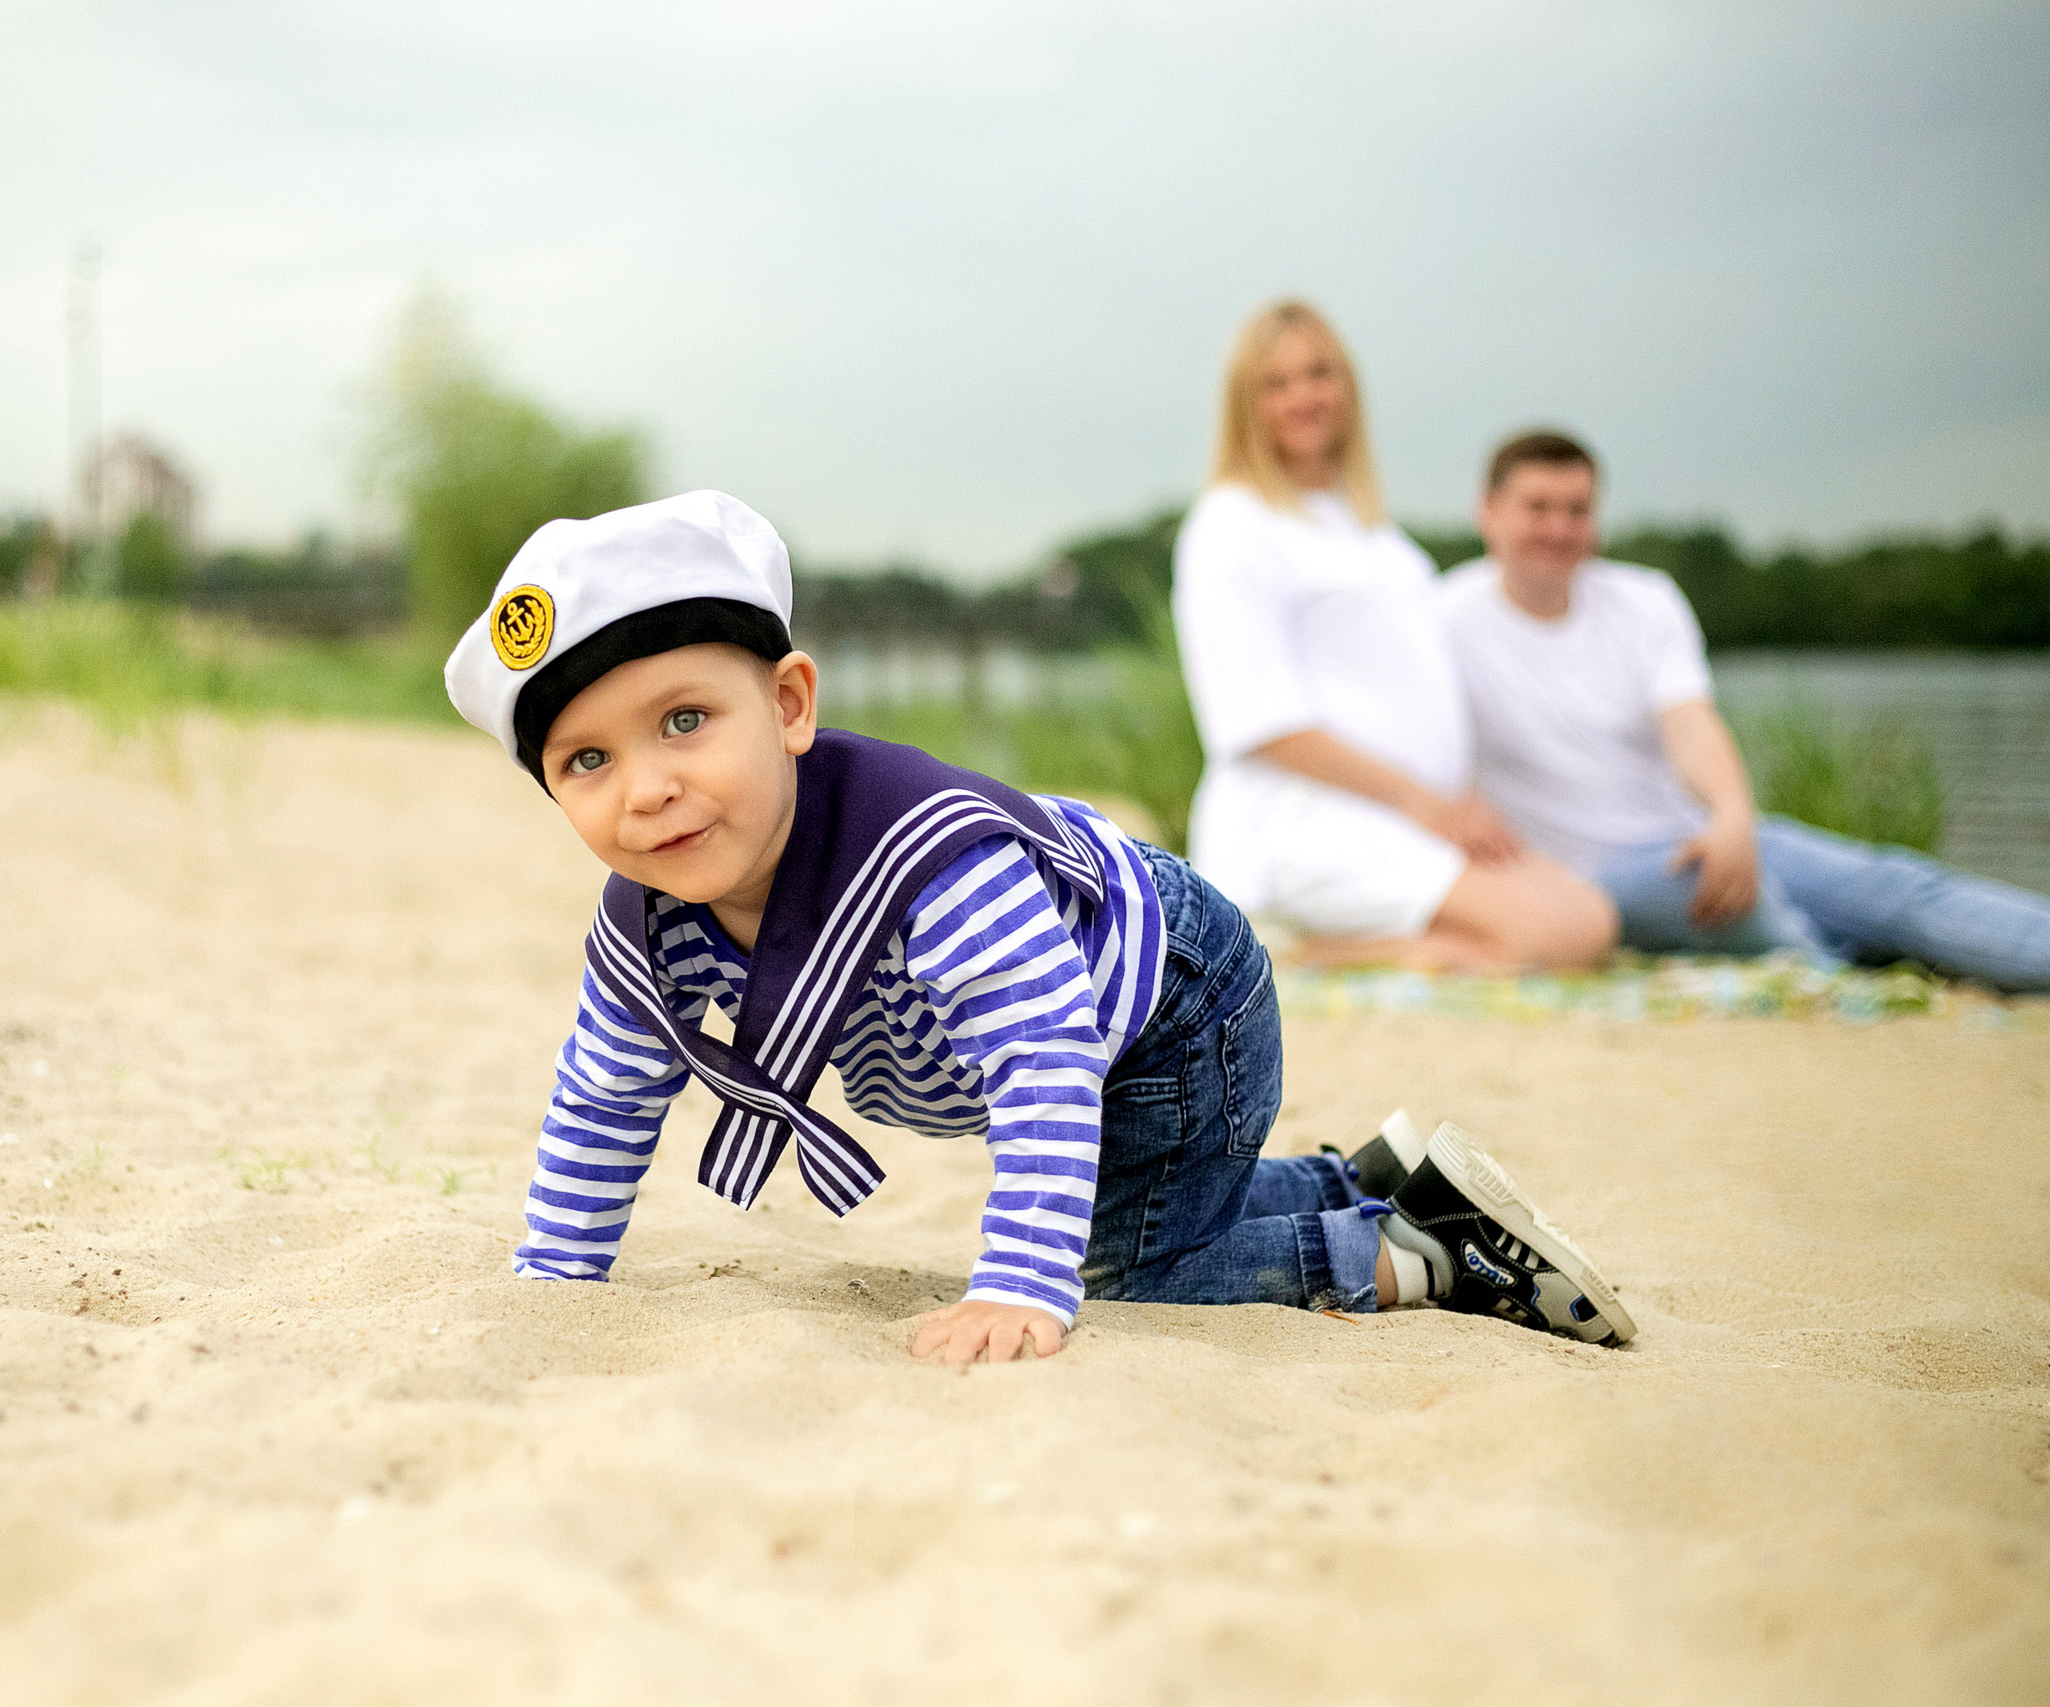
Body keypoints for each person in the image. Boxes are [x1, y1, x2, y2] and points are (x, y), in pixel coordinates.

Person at [443, 489, 1636, 1367]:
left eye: (684, 720)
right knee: (1151, 1200)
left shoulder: (927, 861)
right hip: (1107, 1011)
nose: (643, 787)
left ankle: (1418, 1254)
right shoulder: (652, 922)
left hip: (1165, 1001)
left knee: (1127, 1264)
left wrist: (1020, 1283)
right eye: (586, 759)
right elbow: (605, 1095)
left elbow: (1042, 1056)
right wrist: (557, 1274)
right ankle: (1352, 1176)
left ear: (791, 705)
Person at [1439, 429, 2050, 993]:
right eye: (1538, 508)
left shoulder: (1646, 600)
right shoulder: (1442, 618)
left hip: (1691, 837)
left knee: (1894, 884)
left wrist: (1732, 818)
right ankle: (1849, 972)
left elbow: (1692, 727)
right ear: (1487, 511)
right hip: (1585, 879)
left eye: (1577, 510)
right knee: (1754, 912)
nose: (1559, 529)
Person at [1171, 301, 1616, 972]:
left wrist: (1451, 804)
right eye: (1277, 382)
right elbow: (1257, 720)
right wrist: (1423, 802)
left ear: (1347, 387)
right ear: (1246, 404)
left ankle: (1375, 946)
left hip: (1403, 820)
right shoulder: (1232, 526)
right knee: (1552, 934)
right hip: (1306, 821)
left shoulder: (1376, 535)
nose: (1304, 396)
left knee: (1589, 914)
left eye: (1319, 374)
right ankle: (1297, 953)